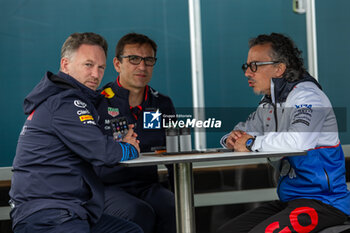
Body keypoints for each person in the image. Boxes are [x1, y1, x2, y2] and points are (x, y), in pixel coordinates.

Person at [9, 32, 143, 233]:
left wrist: (117, 143)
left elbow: (92, 142)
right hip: (49, 214)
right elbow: (101, 152)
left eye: (101, 67)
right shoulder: (66, 102)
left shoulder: (63, 99)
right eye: (88, 65)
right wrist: (129, 149)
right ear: (65, 65)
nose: (96, 75)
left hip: (67, 209)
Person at [217, 33, 350, 233]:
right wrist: (231, 138)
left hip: (325, 204)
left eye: (255, 65)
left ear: (279, 68)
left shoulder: (308, 96)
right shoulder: (269, 103)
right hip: (291, 202)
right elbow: (245, 130)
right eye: (247, 66)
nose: (247, 73)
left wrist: (251, 143)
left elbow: (299, 141)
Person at [95, 32, 176, 233]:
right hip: (106, 188)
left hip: (147, 185)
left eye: (148, 60)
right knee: (138, 212)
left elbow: (175, 153)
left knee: (173, 206)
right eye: (134, 59)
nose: (142, 67)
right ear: (117, 64)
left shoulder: (161, 103)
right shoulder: (97, 102)